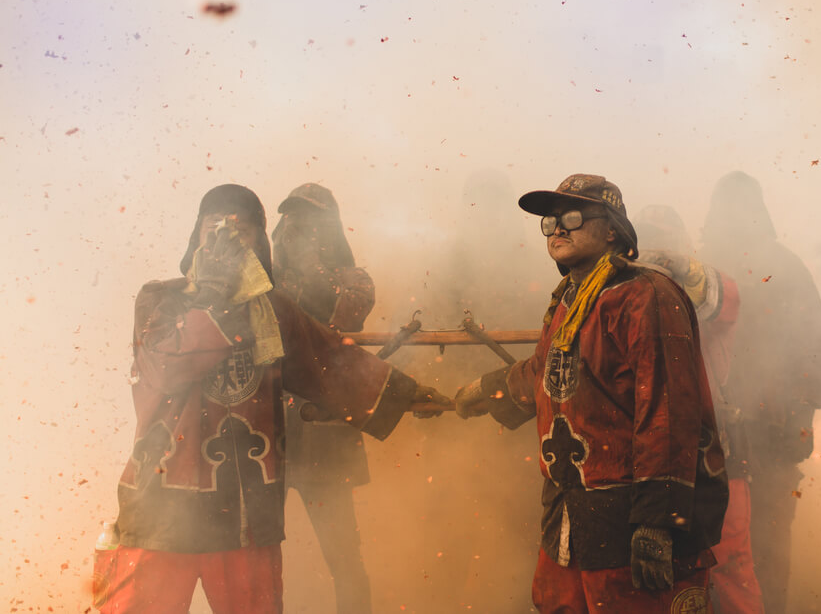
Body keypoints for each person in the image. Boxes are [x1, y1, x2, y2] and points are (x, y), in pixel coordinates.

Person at [99, 184, 449, 614]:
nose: (226, 241)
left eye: (240, 233)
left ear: (258, 246)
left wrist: (406, 394)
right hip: (160, 511)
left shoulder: (273, 310)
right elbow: (165, 368)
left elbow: (328, 361)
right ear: (196, 239)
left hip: (246, 516)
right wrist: (213, 295)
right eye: (215, 229)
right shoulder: (160, 299)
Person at [454, 174, 729, 614]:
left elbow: (670, 413)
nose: (559, 228)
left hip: (633, 519)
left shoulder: (647, 296)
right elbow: (544, 372)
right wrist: (483, 392)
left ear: (613, 230)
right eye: (551, 220)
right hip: (569, 517)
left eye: (574, 216)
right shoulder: (569, 300)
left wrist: (657, 524)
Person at [699, 172, 821, 614]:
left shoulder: (784, 266)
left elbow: (812, 346)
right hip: (718, 430)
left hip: (771, 426)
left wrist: (800, 416)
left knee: (768, 535)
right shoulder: (703, 267)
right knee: (725, 540)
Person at [635, 204, 765, 614]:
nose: (659, 247)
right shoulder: (628, 297)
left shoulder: (707, 286)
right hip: (650, 458)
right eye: (649, 238)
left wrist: (677, 266)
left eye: (667, 239)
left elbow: (722, 295)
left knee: (729, 567)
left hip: (714, 458)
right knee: (660, 579)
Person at [271, 183, 378, 614]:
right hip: (268, 436)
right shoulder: (262, 281)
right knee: (254, 556)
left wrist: (310, 264)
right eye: (291, 218)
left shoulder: (355, 280)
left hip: (323, 440)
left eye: (309, 219)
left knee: (343, 559)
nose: (296, 227)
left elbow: (344, 317)